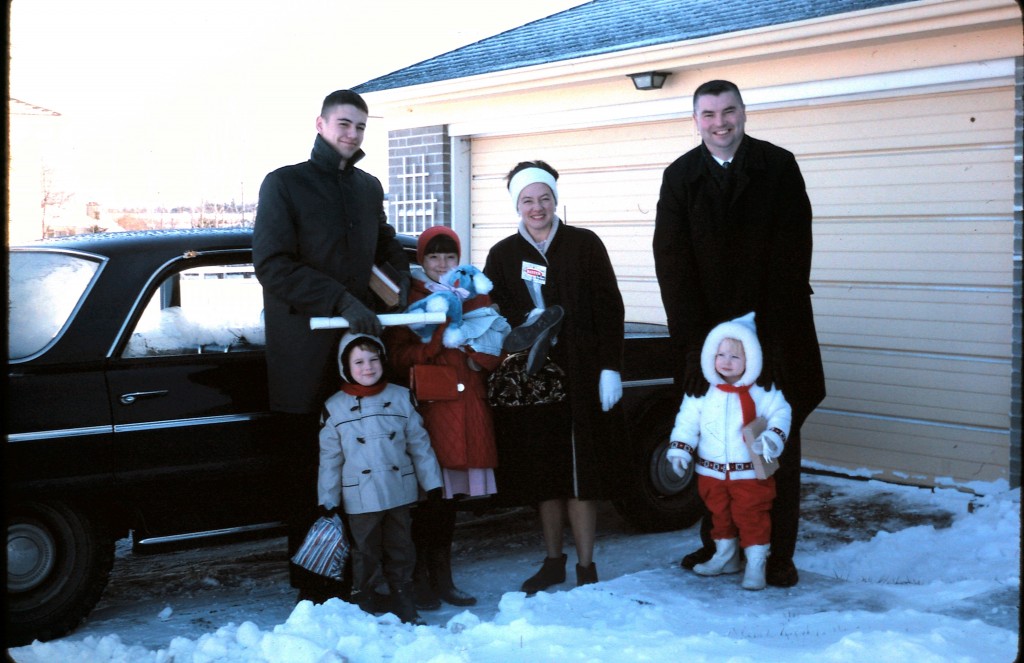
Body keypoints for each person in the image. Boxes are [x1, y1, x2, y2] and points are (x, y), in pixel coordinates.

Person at [652, 79, 825, 587]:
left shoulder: (778, 167)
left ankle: (777, 555)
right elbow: (673, 264)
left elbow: (795, 254)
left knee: (773, 443)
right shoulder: (680, 177)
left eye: (729, 111)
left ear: (744, 113)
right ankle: (719, 545)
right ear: (696, 120)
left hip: (774, 327)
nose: (719, 123)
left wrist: (761, 332)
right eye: (708, 114)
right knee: (715, 439)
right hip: (707, 338)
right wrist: (698, 344)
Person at [253, 89, 410, 602]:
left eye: (361, 127)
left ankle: (363, 580)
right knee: (312, 476)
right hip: (304, 361)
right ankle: (317, 588)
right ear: (320, 124)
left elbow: (387, 246)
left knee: (361, 469)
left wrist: (393, 287)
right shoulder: (285, 184)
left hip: (358, 359)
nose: (352, 134)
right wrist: (341, 299)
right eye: (344, 123)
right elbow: (272, 264)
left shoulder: (367, 188)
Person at [484, 160, 628, 593]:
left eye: (544, 198)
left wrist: (611, 367)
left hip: (583, 373)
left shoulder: (584, 244)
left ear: (555, 199)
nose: (537, 207)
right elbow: (492, 310)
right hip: (535, 378)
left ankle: (587, 565)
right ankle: (553, 561)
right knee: (543, 472)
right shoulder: (504, 254)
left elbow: (610, 307)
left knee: (580, 472)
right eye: (527, 200)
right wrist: (521, 320)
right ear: (517, 205)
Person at [385, 226, 505, 610]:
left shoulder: (475, 293)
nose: (441, 264)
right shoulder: (412, 298)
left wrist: (478, 355)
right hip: (429, 411)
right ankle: (418, 577)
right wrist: (439, 338)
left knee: (449, 503)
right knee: (428, 499)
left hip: (466, 405)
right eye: (433, 257)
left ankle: (443, 577)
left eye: (449, 257)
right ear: (422, 261)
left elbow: (496, 342)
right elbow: (398, 356)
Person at [317, 332, 443, 624]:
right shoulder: (334, 406)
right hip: (360, 496)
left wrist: (432, 483)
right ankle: (365, 599)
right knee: (365, 551)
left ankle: (403, 596)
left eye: (374, 359)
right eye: (358, 361)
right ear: (345, 366)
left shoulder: (400, 397)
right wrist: (328, 499)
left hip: (399, 489)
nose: (368, 367)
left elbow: (419, 445)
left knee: (402, 546)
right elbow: (330, 460)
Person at [665, 312, 792, 590]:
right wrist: (680, 450)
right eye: (720, 354)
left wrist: (772, 437)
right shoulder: (703, 391)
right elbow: (687, 421)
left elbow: (781, 413)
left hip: (749, 471)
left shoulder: (762, 391)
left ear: (752, 358)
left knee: (752, 516)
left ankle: (756, 563)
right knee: (718, 515)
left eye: (735, 357)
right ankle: (726, 556)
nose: (726, 362)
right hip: (711, 471)